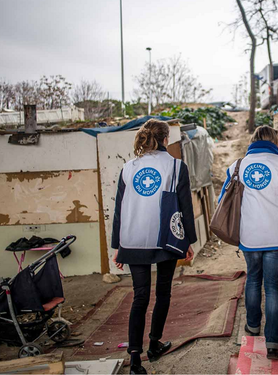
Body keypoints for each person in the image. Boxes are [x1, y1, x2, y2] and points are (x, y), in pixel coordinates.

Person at [111, 119, 197, 375]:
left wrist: (118, 245)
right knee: (163, 293)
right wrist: (188, 241)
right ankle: (154, 344)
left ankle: (135, 358)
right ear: (164, 139)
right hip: (165, 240)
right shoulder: (175, 166)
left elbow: (119, 211)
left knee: (140, 297)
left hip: (133, 239)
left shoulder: (128, 168)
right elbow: (185, 208)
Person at [219, 126, 278, 360]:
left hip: (250, 237)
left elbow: (223, 201)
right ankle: (273, 344)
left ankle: (252, 326)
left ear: (253, 141)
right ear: (276, 141)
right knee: (273, 286)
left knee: (254, 278)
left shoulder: (237, 166)